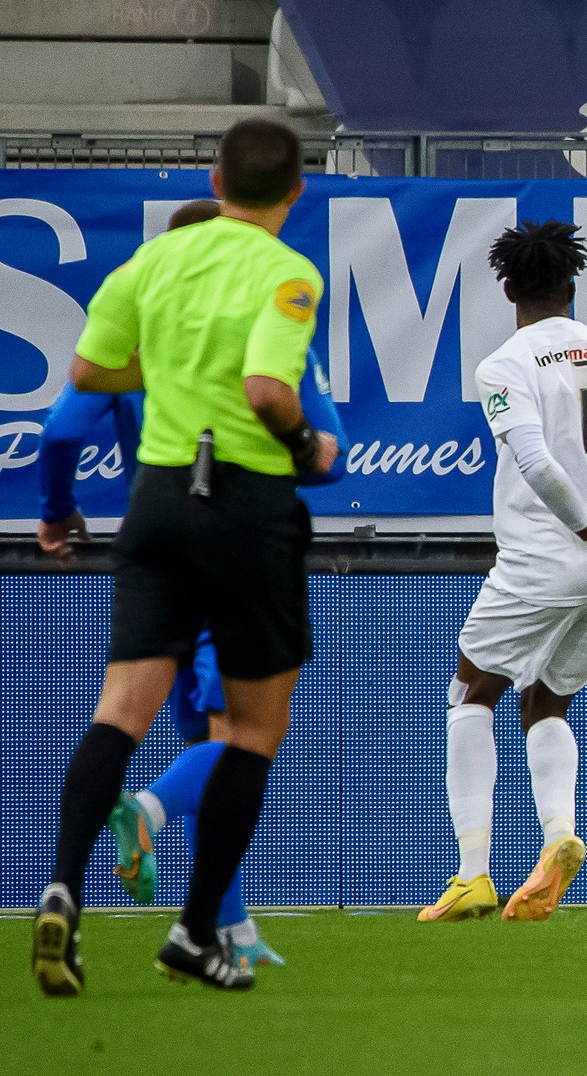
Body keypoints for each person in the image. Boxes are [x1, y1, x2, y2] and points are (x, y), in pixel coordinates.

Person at [32, 118, 338, 997]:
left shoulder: (147, 266)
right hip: (241, 500)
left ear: (213, 174)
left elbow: (89, 375)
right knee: (252, 730)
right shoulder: (286, 272)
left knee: (120, 712)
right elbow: (268, 390)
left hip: (155, 502)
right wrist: (309, 444)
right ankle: (197, 931)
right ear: (296, 191)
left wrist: (163, 370)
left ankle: (63, 889)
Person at [419, 220, 587, 924]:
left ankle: (472, 873)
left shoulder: (505, 364)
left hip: (549, 560)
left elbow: (537, 465)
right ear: (572, 286)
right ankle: (556, 838)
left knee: (470, 689)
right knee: (545, 696)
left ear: (508, 288)